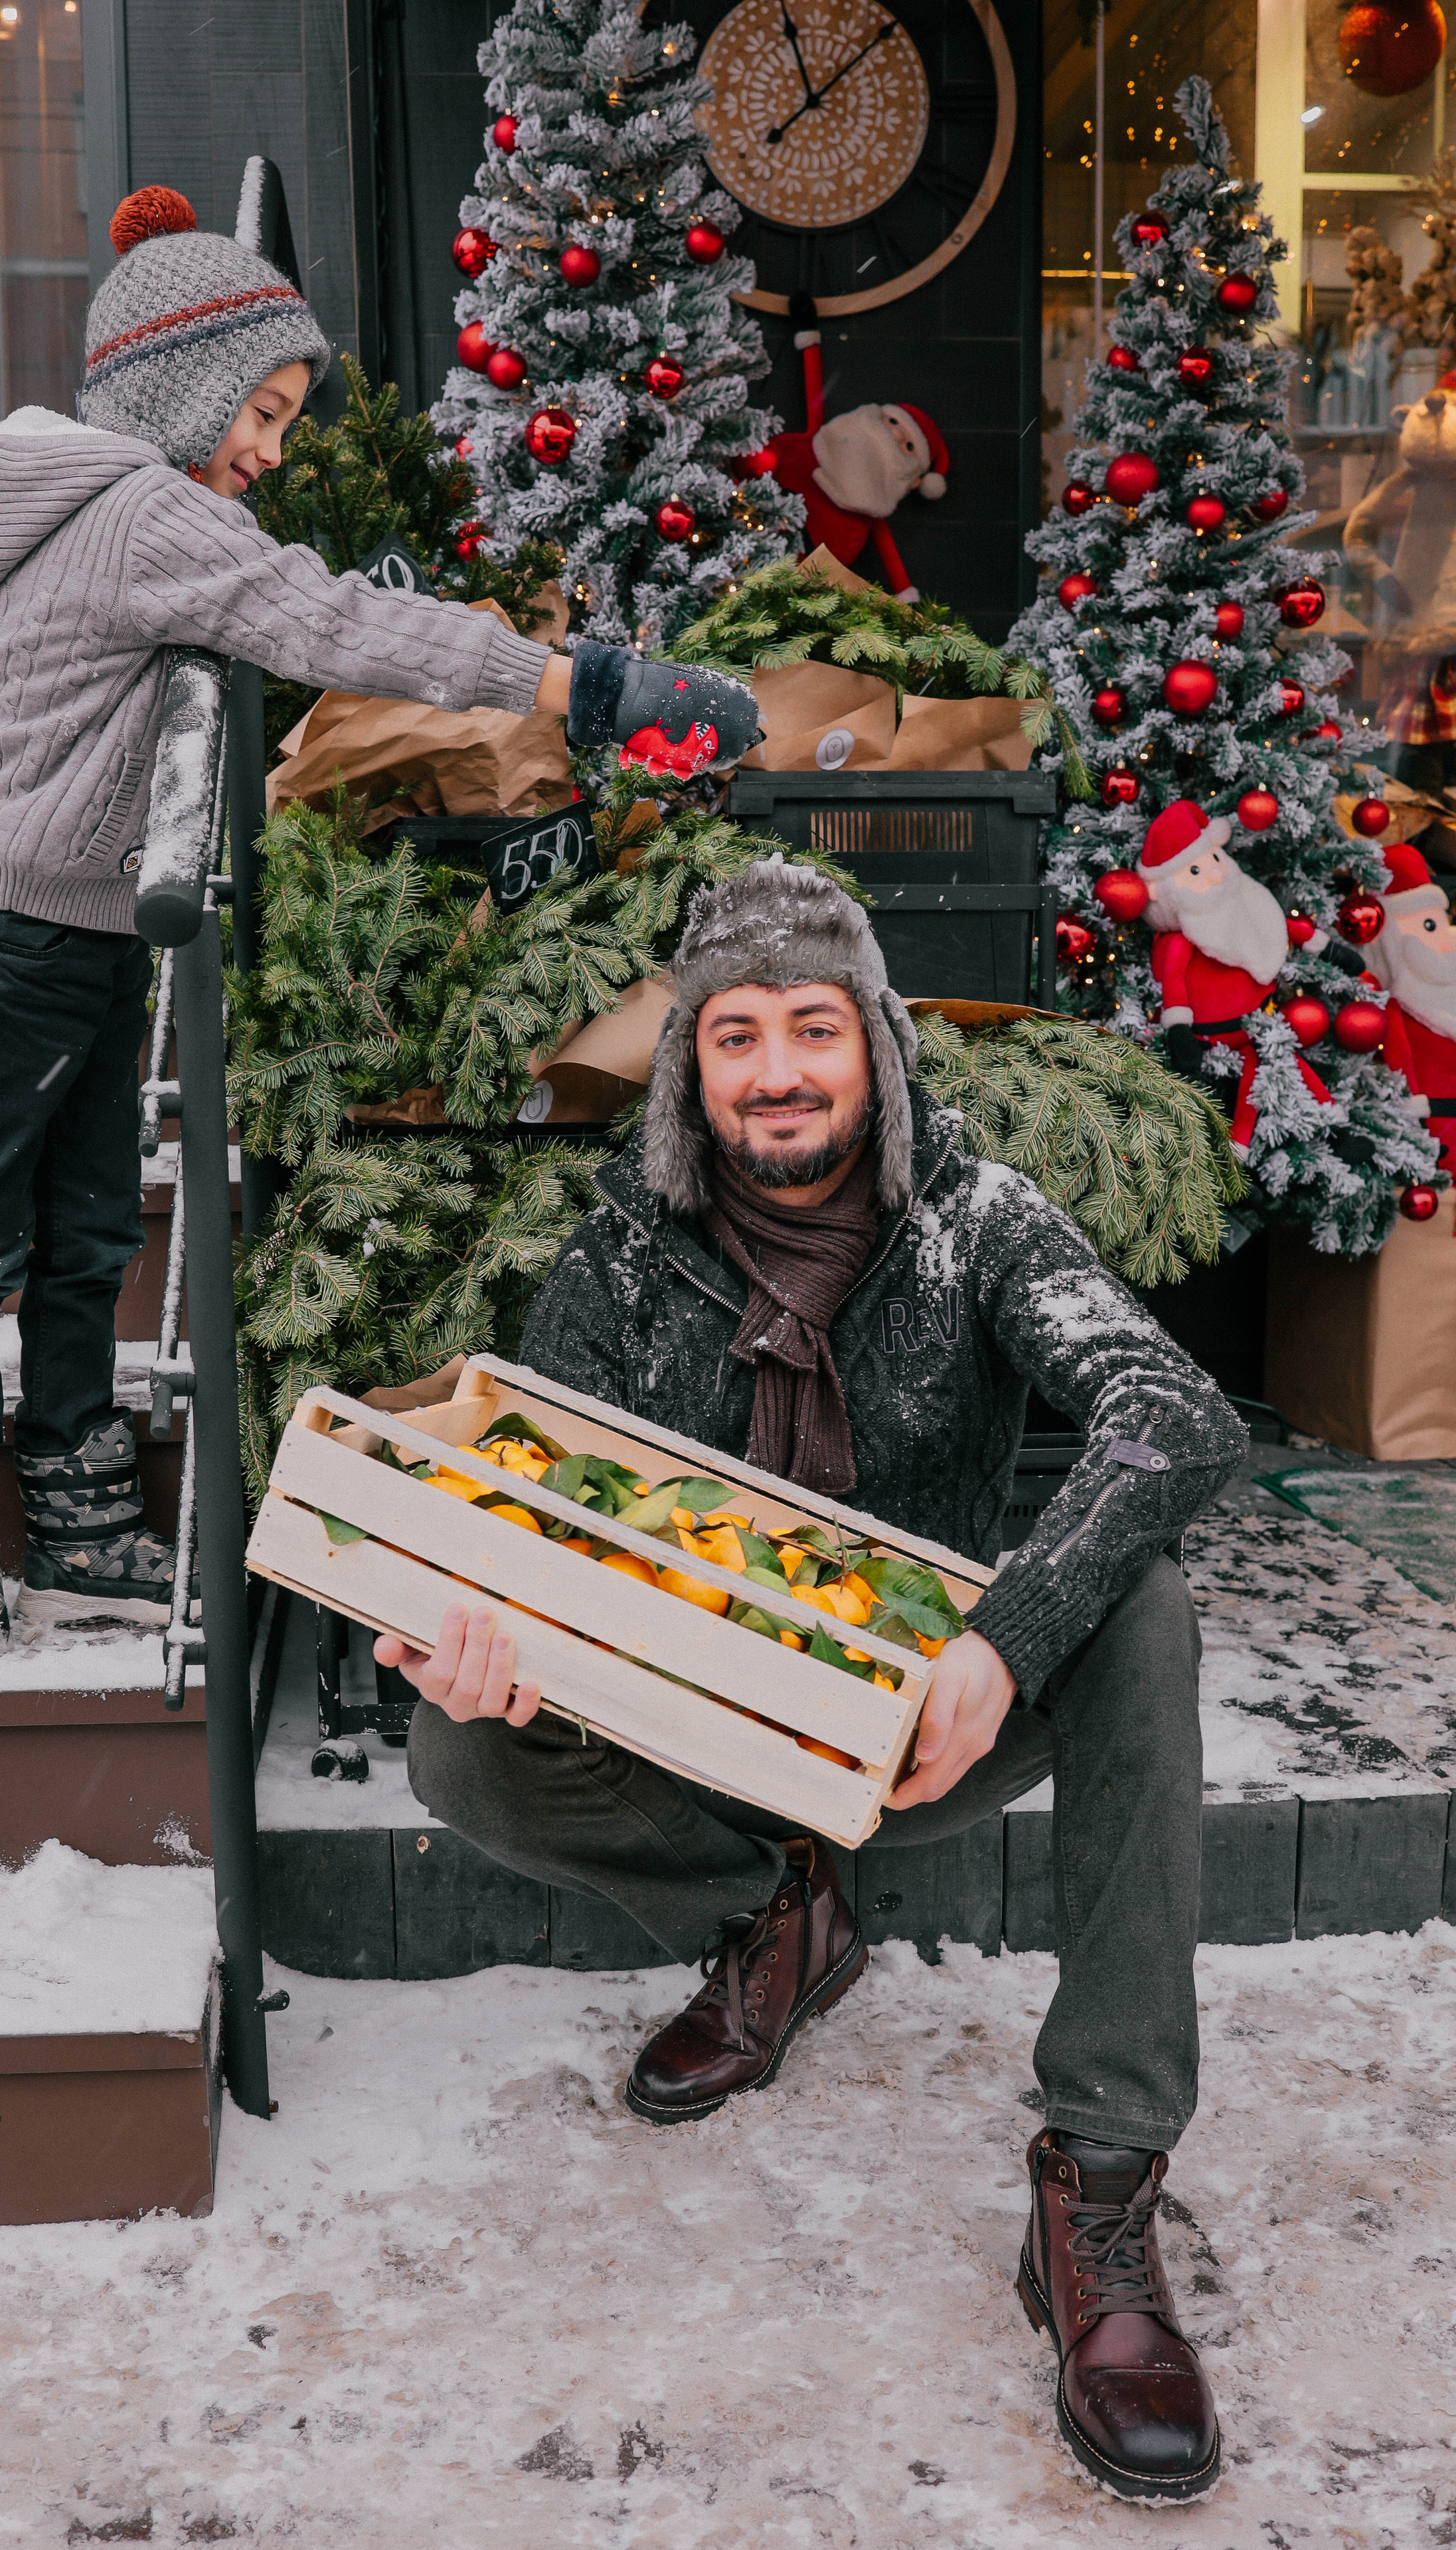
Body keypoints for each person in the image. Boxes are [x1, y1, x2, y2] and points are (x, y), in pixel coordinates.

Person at [379, 855, 1246, 2506]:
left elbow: (1168, 1410)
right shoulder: (621, 1265)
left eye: (811, 1027)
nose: (774, 1069)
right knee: (457, 1753)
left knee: (1138, 1615)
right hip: (693, 1743)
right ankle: (773, 1914)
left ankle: (1100, 2181)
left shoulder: (978, 1226)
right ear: (689, 1071)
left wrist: (1005, 1638)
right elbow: (520, 1521)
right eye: (734, 1036)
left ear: (875, 1048)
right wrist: (465, 1635)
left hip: (915, 1733)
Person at [0, 183, 756, 1648]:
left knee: (90, 1227)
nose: (275, 452)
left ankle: (83, 1504)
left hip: (81, 927)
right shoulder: (143, 512)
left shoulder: (123, 506)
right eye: (265, 414)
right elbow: (336, 622)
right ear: (184, 387)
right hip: (9, 934)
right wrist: (582, 686)